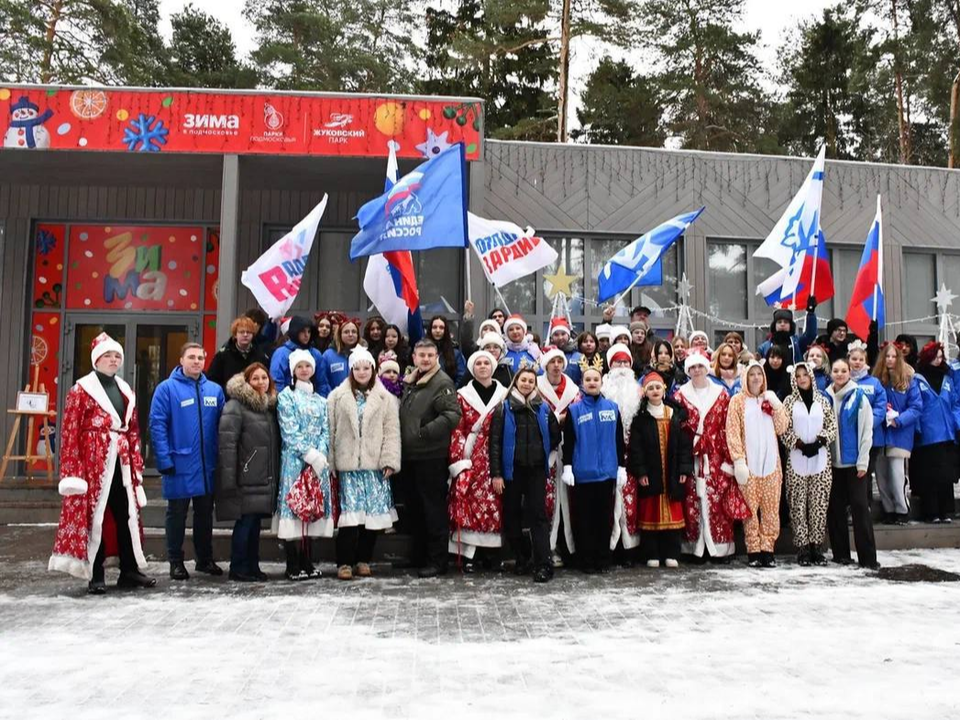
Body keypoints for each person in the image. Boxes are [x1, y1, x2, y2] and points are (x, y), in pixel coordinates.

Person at [49, 333, 155, 593]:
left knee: (126, 515)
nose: (113, 359)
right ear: (96, 359)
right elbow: (70, 431)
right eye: (108, 355)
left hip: (121, 464)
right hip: (92, 465)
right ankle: (95, 573)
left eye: (117, 355)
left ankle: (129, 570)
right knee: (94, 517)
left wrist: (136, 466)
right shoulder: (81, 390)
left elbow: (132, 430)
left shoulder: (125, 390)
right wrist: (73, 471)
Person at [150, 342, 225, 580]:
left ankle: (204, 559)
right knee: (177, 515)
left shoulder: (215, 390)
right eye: (191, 357)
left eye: (200, 358)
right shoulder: (166, 389)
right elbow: (157, 425)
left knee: (204, 515)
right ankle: (176, 561)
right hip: (179, 464)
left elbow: (223, 427)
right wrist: (163, 459)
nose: (196, 362)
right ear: (181, 360)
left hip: (207, 466)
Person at [327, 347, 401, 580]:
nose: (362, 372)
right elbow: (330, 431)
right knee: (350, 517)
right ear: (351, 370)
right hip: (348, 466)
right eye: (357, 368)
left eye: (366, 368)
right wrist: (331, 462)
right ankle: (344, 562)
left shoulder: (386, 398)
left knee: (372, 518)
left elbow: (391, 431)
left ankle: (363, 560)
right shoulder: (336, 397)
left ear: (373, 369)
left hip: (375, 466)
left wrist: (389, 460)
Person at [489, 369, 560, 582]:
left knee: (538, 516)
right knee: (511, 515)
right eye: (523, 380)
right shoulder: (504, 408)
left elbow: (555, 435)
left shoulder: (543, 408)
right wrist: (496, 474)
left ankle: (543, 564)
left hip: (536, 470)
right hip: (512, 471)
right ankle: (523, 556)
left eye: (531, 381)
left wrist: (543, 453)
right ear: (516, 382)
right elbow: (495, 443)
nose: (527, 384)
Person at [673, 352, 746, 562]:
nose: (697, 370)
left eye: (700, 366)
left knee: (717, 501)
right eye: (692, 367)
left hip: (716, 456)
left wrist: (729, 461)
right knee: (692, 501)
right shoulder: (680, 396)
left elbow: (727, 428)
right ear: (688, 371)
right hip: (691, 456)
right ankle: (693, 548)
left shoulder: (721, 394)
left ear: (707, 369)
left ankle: (720, 549)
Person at [400, 339, 462, 577]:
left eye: (429, 355)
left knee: (432, 509)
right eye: (421, 355)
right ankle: (418, 556)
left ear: (436, 357)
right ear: (414, 358)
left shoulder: (441, 382)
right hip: (411, 455)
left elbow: (452, 414)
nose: (425, 359)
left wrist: (424, 432)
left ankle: (438, 561)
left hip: (431, 455)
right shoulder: (412, 380)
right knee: (415, 508)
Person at [215, 363, 280, 582]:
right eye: (255, 378)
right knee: (245, 524)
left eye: (264, 378)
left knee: (254, 526)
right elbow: (227, 444)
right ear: (247, 381)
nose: (261, 382)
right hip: (245, 478)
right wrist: (229, 479)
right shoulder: (235, 406)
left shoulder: (268, 406)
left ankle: (252, 565)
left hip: (262, 478)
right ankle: (238, 567)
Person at [446, 350, 509, 572]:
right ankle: (470, 555)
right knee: (470, 502)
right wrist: (460, 460)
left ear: (493, 367)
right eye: (478, 363)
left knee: (496, 502)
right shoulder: (462, 396)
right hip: (471, 456)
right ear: (472, 368)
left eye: (486, 363)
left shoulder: (505, 394)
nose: (483, 366)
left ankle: (493, 554)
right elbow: (457, 429)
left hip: (497, 453)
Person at [276, 349, 334, 580]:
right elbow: (289, 430)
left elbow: (325, 430)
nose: (304, 370)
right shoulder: (286, 397)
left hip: (317, 464)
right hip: (295, 461)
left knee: (311, 507)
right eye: (299, 366)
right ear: (293, 371)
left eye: (307, 366)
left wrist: (320, 455)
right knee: (294, 508)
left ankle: (307, 561)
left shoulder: (321, 400)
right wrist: (309, 454)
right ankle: (292, 563)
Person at [562, 366, 626, 573]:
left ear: (601, 382)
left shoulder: (612, 408)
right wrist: (568, 467)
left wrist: (621, 467)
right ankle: (586, 560)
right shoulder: (574, 410)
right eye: (588, 379)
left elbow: (619, 440)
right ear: (582, 383)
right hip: (583, 474)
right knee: (585, 519)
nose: (592, 383)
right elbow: (569, 441)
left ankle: (603, 559)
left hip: (607, 473)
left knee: (604, 518)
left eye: (595, 379)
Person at [726, 361, 788, 567]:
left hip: (771, 466)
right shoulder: (737, 401)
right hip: (749, 466)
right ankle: (753, 550)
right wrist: (738, 461)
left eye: (759, 374)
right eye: (751, 374)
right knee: (751, 511)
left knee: (771, 510)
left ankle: (768, 549)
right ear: (745, 377)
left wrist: (777, 406)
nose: (755, 378)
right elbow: (732, 432)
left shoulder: (769, 399)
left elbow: (782, 428)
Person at [628, 372, 693, 568]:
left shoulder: (674, 415)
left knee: (673, 513)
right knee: (651, 514)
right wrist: (641, 472)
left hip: (671, 473)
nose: (655, 391)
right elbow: (636, 448)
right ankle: (652, 553)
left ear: (664, 389)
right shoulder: (640, 418)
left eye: (658, 387)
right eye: (650, 388)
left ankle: (671, 553)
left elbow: (684, 446)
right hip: (652, 474)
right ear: (645, 392)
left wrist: (684, 469)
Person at [780, 362, 837, 566]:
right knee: (797, 505)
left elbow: (832, 426)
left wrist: (820, 441)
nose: (802, 378)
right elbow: (783, 428)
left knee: (818, 505)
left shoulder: (822, 400)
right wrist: (798, 443)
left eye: (805, 374)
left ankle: (816, 547)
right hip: (797, 459)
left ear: (811, 376)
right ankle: (802, 548)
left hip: (820, 460)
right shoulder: (788, 402)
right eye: (798, 376)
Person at [826, 357, 879, 569]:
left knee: (860, 508)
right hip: (833, 466)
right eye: (836, 371)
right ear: (831, 373)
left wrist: (863, 462)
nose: (839, 374)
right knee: (835, 510)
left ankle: (868, 558)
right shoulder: (825, 397)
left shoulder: (858, 397)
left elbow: (866, 431)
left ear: (849, 373)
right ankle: (841, 555)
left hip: (855, 465)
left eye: (843, 371)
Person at [536, 344, 582, 566]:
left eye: (559, 362)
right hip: (545, 450)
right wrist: (556, 419)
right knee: (548, 500)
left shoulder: (573, 390)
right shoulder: (536, 387)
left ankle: (569, 547)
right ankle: (548, 547)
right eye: (552, 362)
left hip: (568, 450)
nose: (556, 366)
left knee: (569, 500)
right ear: (545, 365)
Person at [873, 342, 923, 525]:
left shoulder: (908, 380)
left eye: (894, 356)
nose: (890, 360)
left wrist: (899, 420)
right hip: (880, 433)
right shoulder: (877, 380)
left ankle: (902, 509)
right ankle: (888, 509)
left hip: (899, 434)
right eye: (887, 356)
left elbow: (916, 407)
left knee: (897, 474)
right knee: (881, 475)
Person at [603, 343, 644, 554]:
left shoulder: (639, 392)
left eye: (625, 363)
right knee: (608, 501)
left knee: (631, 502)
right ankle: (610, 547)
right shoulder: (603, 390)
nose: (622, 367)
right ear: (610, 366)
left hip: (632, 457)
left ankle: (629, 548)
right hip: (607, 456)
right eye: (617, 363)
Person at [914, 342, 958, 523]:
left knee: (946, 475)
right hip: (928, 433)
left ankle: (946, 511)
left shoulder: (947, 378)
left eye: (940, 357)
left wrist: (957, 423)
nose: (938, 360)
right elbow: (916, 404)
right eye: (935, 357)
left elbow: (955, 403)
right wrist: (917, 428)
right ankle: (931, 512)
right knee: (930, 476)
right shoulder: (917, 379)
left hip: (947, 432)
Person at [847, 340, 887, 506]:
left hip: (872, 437)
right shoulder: (842, 380)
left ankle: (866, 506)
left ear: (865, 361)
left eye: (861, 359)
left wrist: (868, 424)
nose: (857, 362)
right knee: (851, 473)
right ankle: (851, 507)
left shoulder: (874, 383)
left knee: (866, 472)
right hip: (849, 438)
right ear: (848, 360)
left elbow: (880, 407)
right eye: (854, 359)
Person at [270, 315, 330, 396]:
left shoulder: (316, 354)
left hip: (313, 400)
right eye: (303, 331)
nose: (306, 335)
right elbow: (276, 383)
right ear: (295, 332)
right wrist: (284, 401)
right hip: (288, 399)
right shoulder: (281, 354)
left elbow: (322, 383)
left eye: (309, 332)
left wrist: (319, 401)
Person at [207, 316, 271, 391]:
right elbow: (212, 380)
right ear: (235, 335)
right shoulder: (223, 355)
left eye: (248, 332)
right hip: (229, 396)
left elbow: (268, 379)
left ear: (253, 335)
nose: (245, 335)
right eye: (241, 332)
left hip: (255, 396)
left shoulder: (261, 356)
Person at [757, 300, 818, 367]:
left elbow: (810, 334)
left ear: (790, 325)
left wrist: (811, 313)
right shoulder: (764, 347)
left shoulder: (797, 343)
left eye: (786, 322)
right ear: (774, 325)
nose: (782, 324)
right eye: (779, 322)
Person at [322, 318, 363, 390]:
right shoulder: (328, 355)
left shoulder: (364, 355)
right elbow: (323, 381)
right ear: (339, 334)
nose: (350, 334)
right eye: (346, 332)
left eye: (354, 332)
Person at [428, 315, 467, 385]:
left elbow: (461, 377)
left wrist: (451, 390)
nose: (437, 330)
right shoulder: (423, 352)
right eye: (434, 327)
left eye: (441, 327)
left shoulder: (455, 354)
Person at [547, 317, 583, 385]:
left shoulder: (579, 357)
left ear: (569, 336)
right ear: (551, 338)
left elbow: (585, 381)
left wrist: (577, 391)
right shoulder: (545, 355)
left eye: (563, 334)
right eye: (556, 335)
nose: (560, 337)